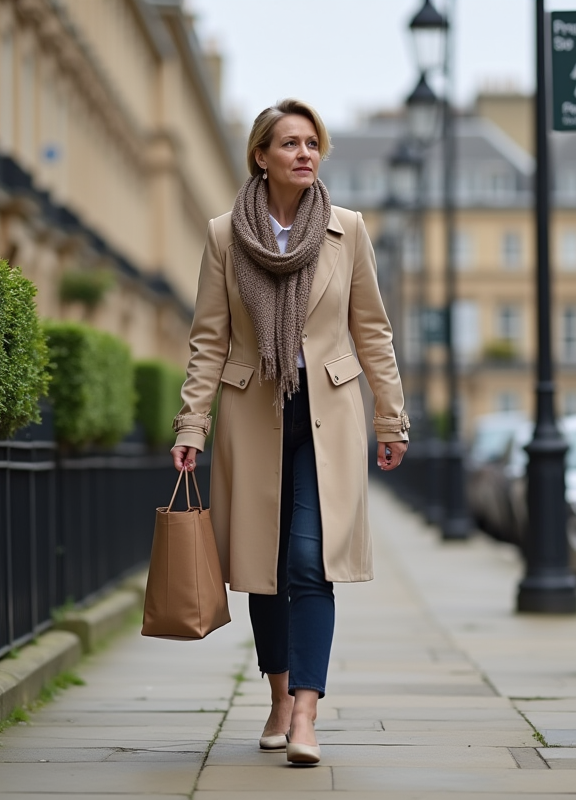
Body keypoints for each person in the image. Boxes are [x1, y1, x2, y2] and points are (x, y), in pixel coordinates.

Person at [170, 99, 409, 767]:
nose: (305, 154)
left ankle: (305, 710)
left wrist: (391, 416)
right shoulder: (225, 236)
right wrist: (192, 422)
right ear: (261, 156)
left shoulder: (347, 229)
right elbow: (209, 340)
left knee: (308, 562)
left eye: (312, 143)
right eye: (290, 144)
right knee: (261, 569)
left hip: (327, 414)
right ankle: (277, 694)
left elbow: (373, 331)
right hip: (253, 415)